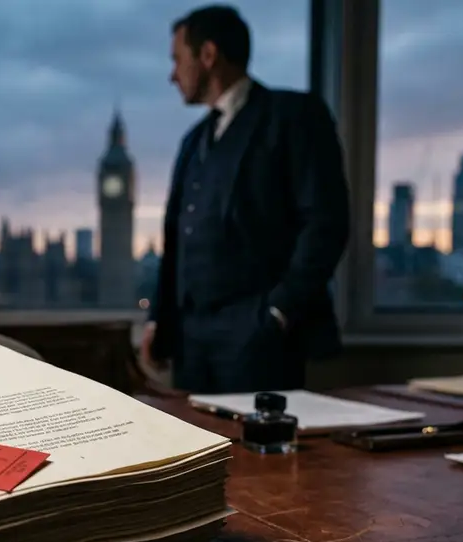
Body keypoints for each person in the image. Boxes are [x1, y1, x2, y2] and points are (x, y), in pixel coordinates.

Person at [140, 4, 350, 394]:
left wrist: (278, 312)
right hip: (191, 342)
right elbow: (176, 240)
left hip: (257, 339)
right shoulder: (193, 140)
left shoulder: (293, 116)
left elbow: (327, 221)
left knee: (259, 453)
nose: (172, 75)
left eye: (177, 59)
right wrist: (158, 320)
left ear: (208, 55)